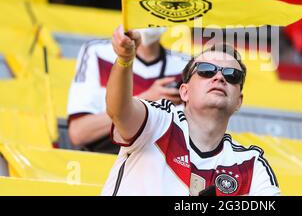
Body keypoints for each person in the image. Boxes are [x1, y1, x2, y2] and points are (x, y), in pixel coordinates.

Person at [101, 26, 280, 196]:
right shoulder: (159, 120)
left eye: (232, 75)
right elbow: (119, 111)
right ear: (184, 92)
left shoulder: (251, 163)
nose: (219, 77)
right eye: (206, 70)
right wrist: (125, 60)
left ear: (239, 101)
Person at [67, 27, 188, 154]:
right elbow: (78, 133)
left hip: (158, 164)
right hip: (105, 162)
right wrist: (147, 100)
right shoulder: (96, 51)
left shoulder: (184, 64)